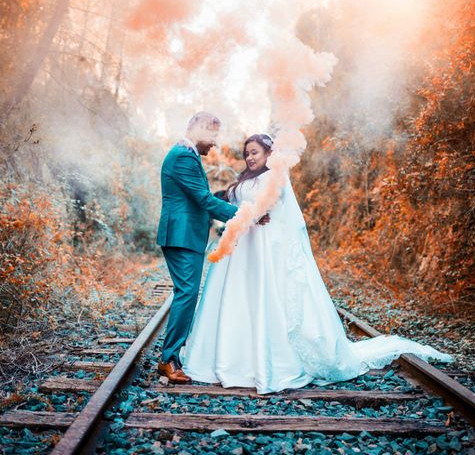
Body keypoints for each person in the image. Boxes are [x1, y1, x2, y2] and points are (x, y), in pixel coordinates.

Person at [181, 133, 453, 394]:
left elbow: (272, 211)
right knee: (236, 303)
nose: (250, 158)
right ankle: (231, 359)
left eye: (255, 152)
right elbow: (231, 205)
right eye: (247, 154)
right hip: (240, 249)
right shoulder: (243, 180)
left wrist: (252, 214)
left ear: (268, 153)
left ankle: (266, 363)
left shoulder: (276, 178)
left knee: (265, 302)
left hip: (264, 248)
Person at [156, 113, 268, 383]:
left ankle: (171, 354)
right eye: (214, 136)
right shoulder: (183, 156)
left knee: (186, 293)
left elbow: (201, 197)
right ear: (199, 130)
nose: (215, 144)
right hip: (182, 235)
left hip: (185, 235)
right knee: (186, 294)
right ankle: (168, 358)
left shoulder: (186, 154)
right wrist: (246, 215)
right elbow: (203, 199)